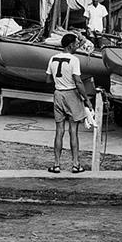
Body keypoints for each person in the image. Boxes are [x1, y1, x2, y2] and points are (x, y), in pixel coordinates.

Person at [45, 33, 93, 174]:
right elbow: (78, 81)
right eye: (76, 43)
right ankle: (75, 164)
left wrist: (60, 81)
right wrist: (87, 99)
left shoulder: (53, 58)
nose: (77, 46)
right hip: (71, 94)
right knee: (73, 131)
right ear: (70, 45)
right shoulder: (74, 60)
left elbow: (48, 79)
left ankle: (56, 164)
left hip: (58, 93)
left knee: (59, 131)